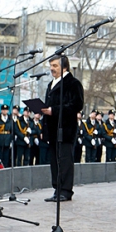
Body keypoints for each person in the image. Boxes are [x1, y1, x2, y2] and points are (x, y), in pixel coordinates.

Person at [41, 55, 85, 202]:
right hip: (52, 130)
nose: (51, 69)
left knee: (65, 160)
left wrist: (53, 110)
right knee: (54, 160)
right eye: (51, 65)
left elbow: (76, 105)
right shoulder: (51, 84)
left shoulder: (73, 83)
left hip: (65, 129)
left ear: (64, 67)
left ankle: (66, 190)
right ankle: (57, 188)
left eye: (55, 66)